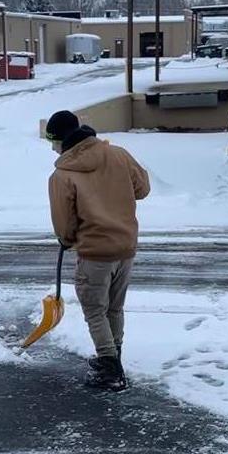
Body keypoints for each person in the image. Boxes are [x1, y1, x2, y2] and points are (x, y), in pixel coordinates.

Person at [45, 110, 150, 392]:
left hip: (94, 252)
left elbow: (64, 223)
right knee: (114, 308)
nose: (53, 148)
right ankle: (114, 357)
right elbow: (142, 188)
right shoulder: (119, 154)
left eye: (53, 142)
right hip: (125, 248)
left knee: (95, 311)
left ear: (62, 140)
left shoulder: (62, 175)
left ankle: (110, 368)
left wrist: (66, 240)